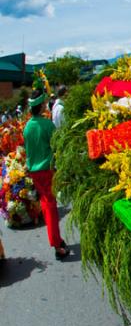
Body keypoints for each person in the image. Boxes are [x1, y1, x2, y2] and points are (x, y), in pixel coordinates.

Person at [23, 89, 69, 260]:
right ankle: (57, 245)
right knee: (50, 206)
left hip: (34, 172)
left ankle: (57, 240)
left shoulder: (27, 127)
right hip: (47, 170)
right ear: (42, 105)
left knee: (45, 203)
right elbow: (57, 145)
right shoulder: (46, 124)